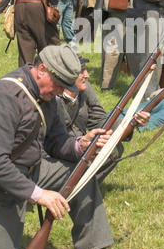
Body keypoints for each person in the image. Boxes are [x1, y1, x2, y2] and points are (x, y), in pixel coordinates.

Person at [0, 44, 125, 249]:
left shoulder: (48, 98)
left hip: (30, 170)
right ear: (42, 69)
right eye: (57, 84)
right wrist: (39, 194)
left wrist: (80, 145)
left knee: (81, 172)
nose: (59, 91)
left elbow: (56, 141)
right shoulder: (3, 97)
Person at [56, 56, 150, 184]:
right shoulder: (51, 98)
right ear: (68, 75)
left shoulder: (85, 90)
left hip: (83, 149)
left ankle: (85, 187)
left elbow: (102, 123)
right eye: (82, 72)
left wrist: (132, 123)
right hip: (59, 153)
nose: (87, 75)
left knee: (114, 148)